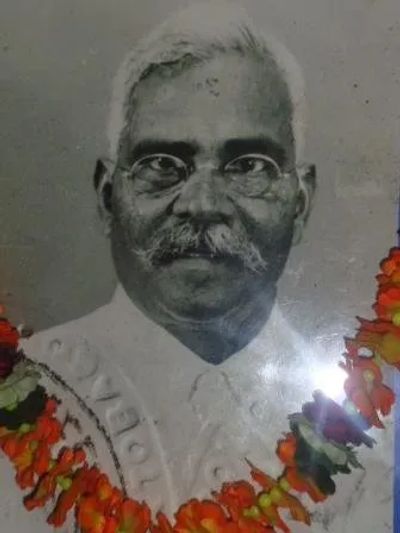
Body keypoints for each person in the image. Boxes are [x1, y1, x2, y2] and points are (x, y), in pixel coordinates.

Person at [19, 3, 392, 531]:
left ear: (300, 202)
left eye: (249, 166)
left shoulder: (378, 436)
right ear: (107, 197)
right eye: (161, 165)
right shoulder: (25, 400)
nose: (202, 204)